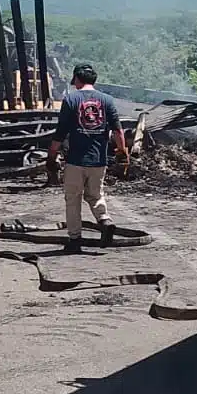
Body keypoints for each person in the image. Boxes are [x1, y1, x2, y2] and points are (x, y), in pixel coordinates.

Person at [46, 64, 129, 254]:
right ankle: (105, 221)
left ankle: (75, 240)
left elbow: (60, 133)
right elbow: (118, 130)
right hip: (99, 160)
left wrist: (52, 156)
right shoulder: (107, 100)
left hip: (76, 160)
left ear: (77, 79)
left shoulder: (71, 99)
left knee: (73, 199)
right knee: (95, 195)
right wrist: (122, 154)